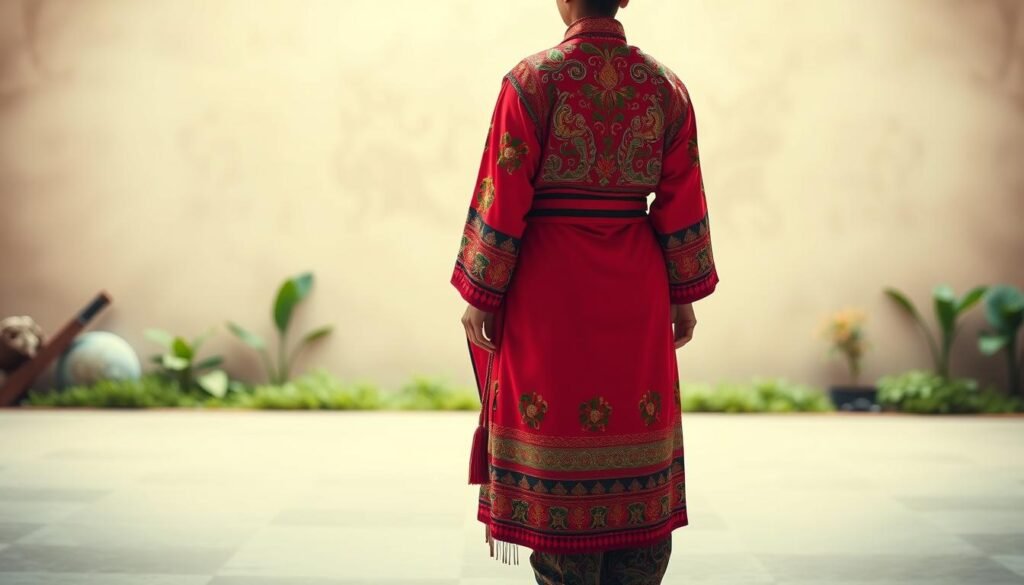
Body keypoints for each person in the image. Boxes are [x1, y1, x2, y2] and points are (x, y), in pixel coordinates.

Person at [450, 0, 719, 580]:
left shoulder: (531, 81)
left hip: (551, 284)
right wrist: (682, 292)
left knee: (558, 447)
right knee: (636, 431)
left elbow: (506, 187)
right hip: (637, 283)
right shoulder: (664, 86)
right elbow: (683, 195)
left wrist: (481, 288)